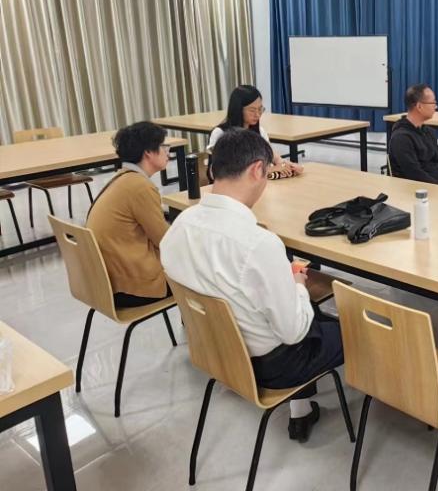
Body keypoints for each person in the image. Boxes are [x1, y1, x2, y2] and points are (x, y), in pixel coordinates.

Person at [161, 128, 341, 443]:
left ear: (213, 170)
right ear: (258, 170)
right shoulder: (259, 244)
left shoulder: (179, 226)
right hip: (271, 365)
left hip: (215, 351)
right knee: (350, 328)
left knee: (306, 311)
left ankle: (301, 412)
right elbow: (294, 332)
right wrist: (298, 284)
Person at [86, 122, 171, 307]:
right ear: (148, 152)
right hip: (133, 287)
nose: (168, 151)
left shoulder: (121, 178)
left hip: (107, 283)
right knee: (199, 274)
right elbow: (165, 241)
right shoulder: (140, 187)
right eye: (163, 146)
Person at [208, 84, 302, 178]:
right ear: (238, 109)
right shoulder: (220, 133)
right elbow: (216, 173)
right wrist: (268, 170)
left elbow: (274, 157)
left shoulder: (260, 131)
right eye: (252, 110)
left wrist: (289, 166)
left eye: (260, 109)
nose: (257, 114)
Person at [389, 84, 438, 185]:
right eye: (433, 103)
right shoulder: (401, 138)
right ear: (419, 106)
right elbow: (415, 174)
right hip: (421, 190)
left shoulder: (428, 132)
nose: (436, 107)